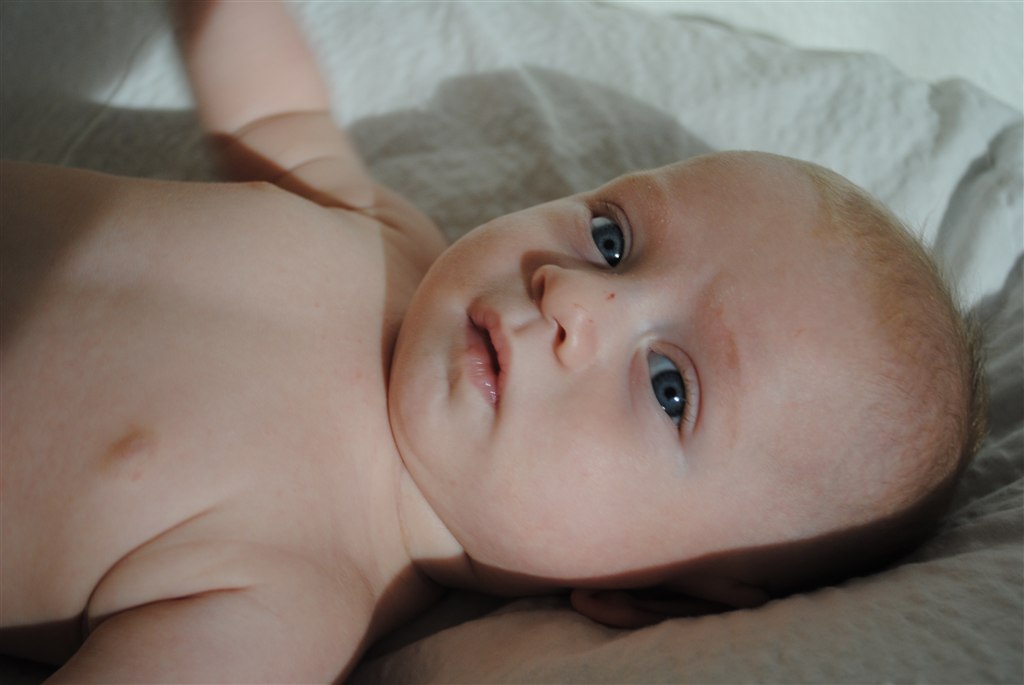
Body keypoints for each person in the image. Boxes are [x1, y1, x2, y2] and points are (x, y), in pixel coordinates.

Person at [0, 1, 986, 681]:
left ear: (653, 600)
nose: (576, 298)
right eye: (612, 239)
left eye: (669, 387)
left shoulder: (295, 607)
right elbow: (276, 113)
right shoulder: (391, 241)